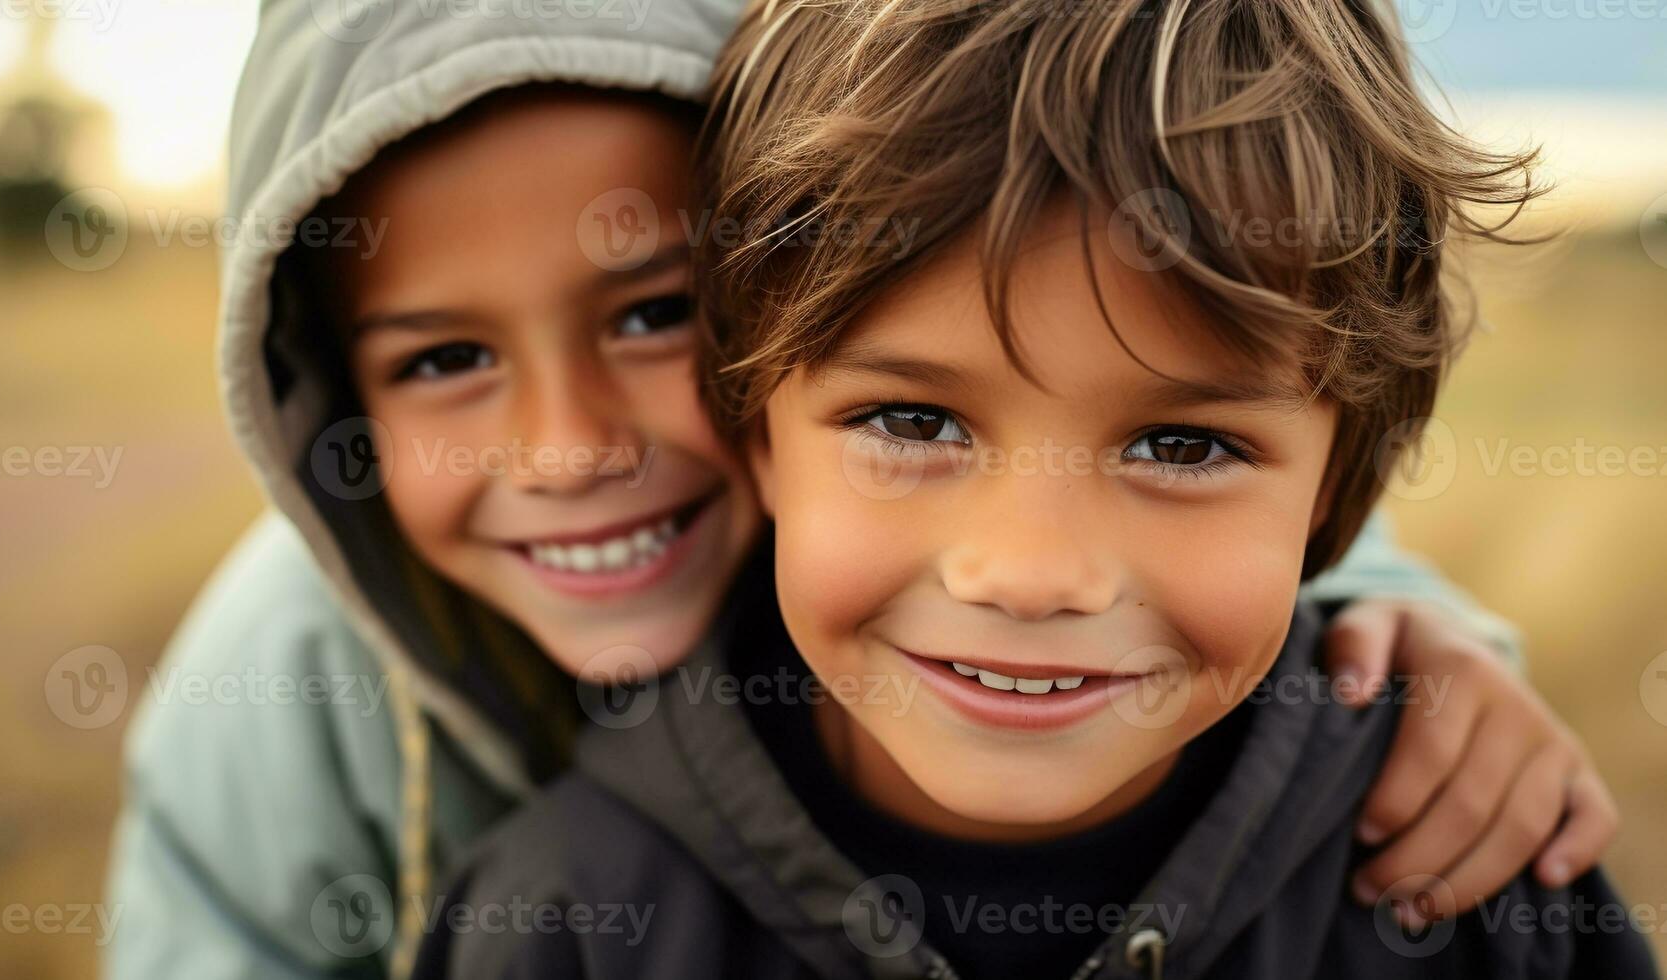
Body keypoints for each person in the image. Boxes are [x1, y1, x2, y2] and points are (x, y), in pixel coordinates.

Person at [106, 0, 1619, 976]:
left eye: (650, 315)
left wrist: (1410, 635)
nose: (564, 450)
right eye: (442, 359)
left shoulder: (1450, 868)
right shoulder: (304, 710)